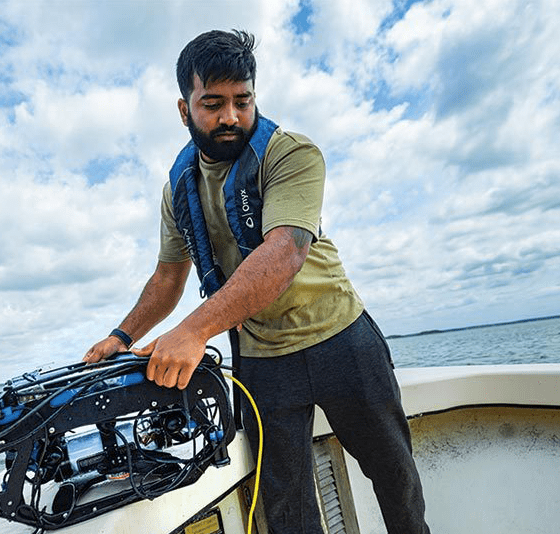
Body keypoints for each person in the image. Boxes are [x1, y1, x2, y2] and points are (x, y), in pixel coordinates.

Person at [84, 29, 430, 534]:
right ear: (184, 110)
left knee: (394, 476)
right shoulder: (177, 189)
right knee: (285, 506)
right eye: (213, 103)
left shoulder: (293, 153)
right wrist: (121, 337)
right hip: (264, 364)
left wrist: (192, 331)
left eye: (242, 100)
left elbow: (284, 251)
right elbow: (166, 277)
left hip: (341, 338)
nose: (230, 116)